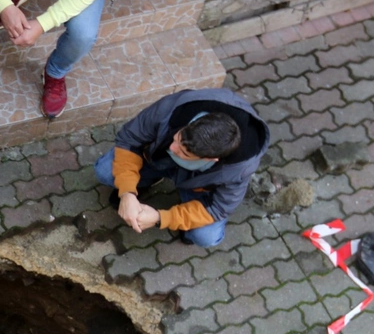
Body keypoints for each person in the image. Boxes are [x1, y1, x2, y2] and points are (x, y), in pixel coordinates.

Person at [96, 89, 271, 248]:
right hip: (157, 159)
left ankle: (186, 219)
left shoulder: (239, 168)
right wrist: (127, 193)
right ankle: (148, 180)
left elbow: (218, 207)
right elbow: (129, 140)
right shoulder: (172, 109)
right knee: (105, 171)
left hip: (200, 184)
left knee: (205, 236)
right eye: (177, 138)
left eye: (184, 152)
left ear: (210, 159)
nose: (172, 148)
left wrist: (161, 218)